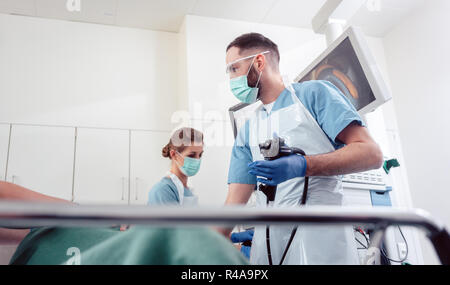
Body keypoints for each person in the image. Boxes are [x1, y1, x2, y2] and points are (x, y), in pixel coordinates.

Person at [221, 33, 384, 265]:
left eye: (234, 69)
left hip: (321, 240)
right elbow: (233, 204)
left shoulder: (314, 95)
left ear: (258, 62)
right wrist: (212, 241)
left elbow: (371, 153)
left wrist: (303, 165)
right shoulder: (248, 130)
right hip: (268, 246)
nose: (231, 79)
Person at [148, 127, 204, 206]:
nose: (197, 160)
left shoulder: (189, 190)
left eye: (200, 154)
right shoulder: (162, 191)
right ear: (174, 154)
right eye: (192, 155)